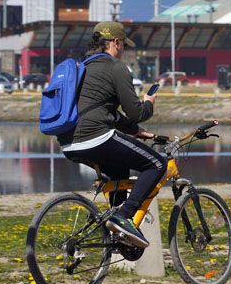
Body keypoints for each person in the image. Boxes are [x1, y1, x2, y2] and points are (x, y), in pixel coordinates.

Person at [57, 21, 164, 248]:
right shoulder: (116, 68)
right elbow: (136, 112)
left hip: (69, 144)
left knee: (119, 174)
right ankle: (124, 216)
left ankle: (116, 236)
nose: (123, 50)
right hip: (95, 137)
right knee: (156, 164)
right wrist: (149, 103)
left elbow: (106, 113)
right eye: (123, 45)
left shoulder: (83, 68)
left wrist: (136, 132)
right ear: (116, 43)